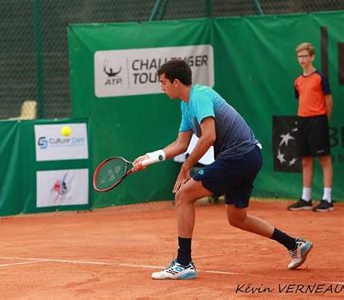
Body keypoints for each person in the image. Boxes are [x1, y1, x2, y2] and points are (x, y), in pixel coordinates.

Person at [132, 59, 312, 280]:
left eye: (163, 82)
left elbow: (209, 136)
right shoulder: (186, 104)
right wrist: (149, 158)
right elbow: (180, 144)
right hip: (247, 156)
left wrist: (186, 167)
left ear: (176, 82)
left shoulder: (199, 96)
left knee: (184, 195)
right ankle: (295, 244)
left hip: (240, 155)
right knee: (237, 217)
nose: (162, 88)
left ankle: (184, 262)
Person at [287, 42, 334, 212]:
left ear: (312, 57)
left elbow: (329, 102)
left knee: (324, 159)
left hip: (318, 120)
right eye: (299, 56)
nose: (302, 59)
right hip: (302, 121)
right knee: (306, 160)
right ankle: (306, 198)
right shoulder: (297, 81)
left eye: (305, 56)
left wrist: (323, 120)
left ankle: (327, 199)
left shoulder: (320, 77)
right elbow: (301, 100)